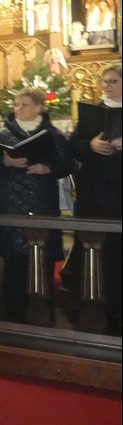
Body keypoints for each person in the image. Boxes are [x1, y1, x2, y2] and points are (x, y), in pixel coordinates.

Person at [0, 88, 73, 322]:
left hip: (42, 199)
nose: (18, 109)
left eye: (24, 104)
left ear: (39, 107)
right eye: (16, 104)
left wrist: (47, 168)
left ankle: (43, 306)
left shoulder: (52, 134)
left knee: (42, 253)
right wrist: (5, 161)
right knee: (14, 259)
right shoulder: (2, 133)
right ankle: (13, 308)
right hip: (12, 200)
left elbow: (67, 164)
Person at [64, 63, 122, 332]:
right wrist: (90, 145)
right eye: (105, 81)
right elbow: (73, 146)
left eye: (113, 81)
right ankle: (93, 302)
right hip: (94, 192)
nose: (107, 86)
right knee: (93, 245)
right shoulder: (92, 112)